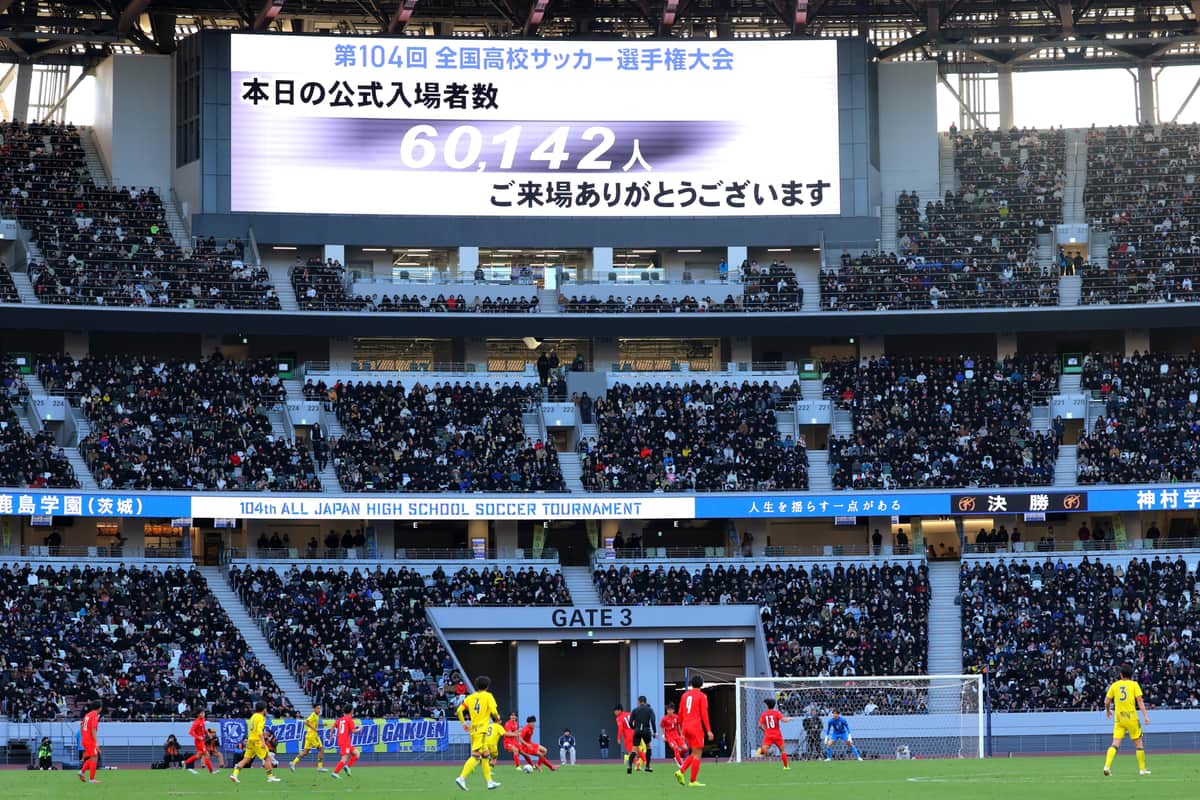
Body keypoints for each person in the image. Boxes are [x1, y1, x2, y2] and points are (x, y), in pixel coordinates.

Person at [456, 675, 502, 792]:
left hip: (474, 730)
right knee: (476, 756)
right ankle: (462, 777)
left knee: (486, 755)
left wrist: (463, 724)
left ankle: (489, 782)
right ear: (487, 686)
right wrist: (497, 718)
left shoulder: (471, 697)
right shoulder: (488, 696)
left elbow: (459, 710)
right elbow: (493, 710)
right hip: (481, 730)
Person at [1103, 664, 1151, 777]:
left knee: (1115, 744)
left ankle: (1107, 766)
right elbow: (1140, 701)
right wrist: (1146, 716)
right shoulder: (1134, 685)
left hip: (1119, 719)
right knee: (1139, 744)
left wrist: (1108, 711)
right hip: (1131, 718)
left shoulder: (1115, 685)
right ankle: (1142, 770)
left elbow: (1107, 701)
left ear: (1121, 674)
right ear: (1131, 674)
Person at [674, 674, 712, 788]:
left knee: (694, 753)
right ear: (701, 684)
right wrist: (709, 730)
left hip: (685, 726)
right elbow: (704, 714)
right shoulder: (702, 696)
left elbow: (680, 713)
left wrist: (680, 729)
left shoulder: (684, 695)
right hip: (695, 726)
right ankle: (691, 779)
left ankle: (682, 772)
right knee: (698, 753)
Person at [229, 701, 280, 784]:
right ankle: (270, 777)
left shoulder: (253, 716)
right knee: (267, 758)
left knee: (246, 759)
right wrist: (263, 742)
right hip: (257, 741)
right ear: (264, 709)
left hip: (250, 740)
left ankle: (234, 774)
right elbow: (259, 731)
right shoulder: (261, 717)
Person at [291, 703, 327, 772]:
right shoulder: (313, 714)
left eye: (320, 708)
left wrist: (322, 724)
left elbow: (314, 723)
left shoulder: (316, 715)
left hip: (309, 735)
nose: (319, 710)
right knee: (321, 749)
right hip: (312, 735)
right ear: (314, 709)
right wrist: (314, 728)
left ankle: (293, 763)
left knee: (305, 752)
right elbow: (306, 722)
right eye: (318, 708)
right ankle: (319, 767)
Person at [757, 698, 791, 769]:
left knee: (763, 751)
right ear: (774, 705)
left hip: (768, 735)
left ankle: (761, 750)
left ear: (767, 706)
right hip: (777, 735)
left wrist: (765, 730)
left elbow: (759, 725)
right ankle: (786, 767)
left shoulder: (764, 714)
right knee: (782, 751)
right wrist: (789, 719)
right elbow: (784, 720)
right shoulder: (777, 713)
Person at [628, 695, 657, 774]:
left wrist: (634, 728)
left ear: (638, 701)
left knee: (634, 748)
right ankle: (647, 766)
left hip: (637, 730)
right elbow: (653, 721)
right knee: (648, 747)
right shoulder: (649, 710)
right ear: (645, 701)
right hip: (646, 730)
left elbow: (630, 722)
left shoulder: (635, 710)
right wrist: (654, 732)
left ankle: (629, 766)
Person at [331, 706, 361, 779]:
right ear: (351, 711)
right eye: (353, 710)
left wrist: (331, 736)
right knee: (344, 758)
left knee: (357, 754)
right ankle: (335, 773)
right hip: (345, 742)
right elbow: (354, 731)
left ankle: (347, 767)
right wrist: (360, 728)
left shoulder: (340, 719)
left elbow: (333, 726)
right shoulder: (349, 720)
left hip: (344, 741)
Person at [183, 707, 216, 774]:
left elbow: (203, 729)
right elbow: (191, 732)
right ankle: (211, 771)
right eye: (202, 713)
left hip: (202, 741)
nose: (204, 714)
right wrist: (198, 737)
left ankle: (185, 762)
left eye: (204, 713)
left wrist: (207, 734)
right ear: (198, 714)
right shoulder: (196, 722)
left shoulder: (202, 720)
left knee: (198, 756)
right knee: (207, 754)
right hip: (199, 741)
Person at [78, 700, 102, 784]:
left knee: (93, 757)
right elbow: (93, 729)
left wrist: (83, 736)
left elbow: (81, 726)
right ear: (100, 708)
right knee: (95, 758)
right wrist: (96, 742)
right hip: (90, 740)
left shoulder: (87, 715)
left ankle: (81, 772)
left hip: (85, 739)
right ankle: (92, 779)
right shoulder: (95, 715)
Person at [660, 703, 687, 768]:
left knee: (685, 748)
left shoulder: (676, 717)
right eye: (668, 710)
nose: (669, 711)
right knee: (675, 748)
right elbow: (662, 727)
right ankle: (681, 764)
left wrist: (681, 734)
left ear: (673, 710)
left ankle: (676, 757)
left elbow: (678, 725)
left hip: (677, 735)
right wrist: (663, 736)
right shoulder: (664, 719)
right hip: (669, 737)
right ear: (666, 711)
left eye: (671, 710)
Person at [613, 705, 639, 770]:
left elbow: (620, 728)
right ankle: (638, 762)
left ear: (619, 710)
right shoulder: (629, 713)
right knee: (635, 749)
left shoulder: (619, 718)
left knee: (630, 751)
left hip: (628, 735)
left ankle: (636, 763)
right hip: (636, 733)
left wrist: (618, 737)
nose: (614, 713)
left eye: (615, 711)